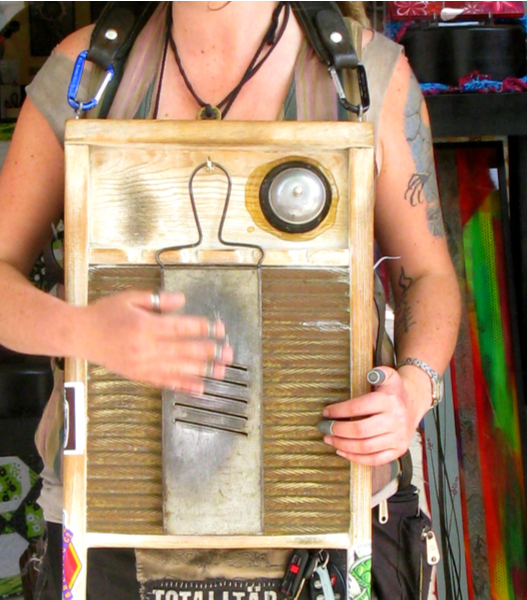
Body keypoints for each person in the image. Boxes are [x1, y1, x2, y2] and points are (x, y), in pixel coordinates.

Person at [0, 2, 460, 599]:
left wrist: (413, 391)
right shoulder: (86, 74)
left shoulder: (367, 77)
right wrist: (82, 332)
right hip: (110, 538)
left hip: (326, 529)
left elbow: (429, 275)